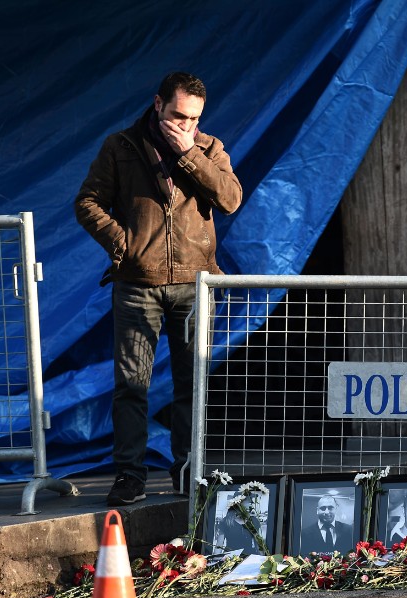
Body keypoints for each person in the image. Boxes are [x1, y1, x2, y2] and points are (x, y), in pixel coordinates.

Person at [74, 71, 243, 506]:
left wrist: (189, 153)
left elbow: (229, 198)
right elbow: (87, 202)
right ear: (157, 104)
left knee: (192, 384)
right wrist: (121, 243)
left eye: (194, 119)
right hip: (137, 284)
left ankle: (189, 471)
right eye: (178, 116)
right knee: (132, 385)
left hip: (194, 283)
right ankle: (130, 474)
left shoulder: (208, 147)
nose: (185, 125)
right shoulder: (121, 146)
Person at [212, 490, 270, 555]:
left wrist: (262, 560)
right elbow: (219, 545)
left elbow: (258, 544)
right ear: (239, 502)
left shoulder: (253, 521)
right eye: (248, 500)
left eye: (251, 501)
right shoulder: (226, 521)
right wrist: (214, 560)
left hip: (249, 557)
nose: (251, 503)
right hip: (231, 558)